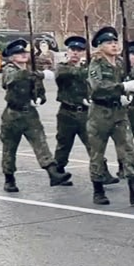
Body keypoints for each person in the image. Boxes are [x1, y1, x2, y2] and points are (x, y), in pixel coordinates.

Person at [0, 38, 73, 193]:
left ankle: (53, 174)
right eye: (19, 53)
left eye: (24, 52)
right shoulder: (9, 69)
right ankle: (9, 179)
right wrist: (39, 74)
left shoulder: (30, 71)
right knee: (10, 148)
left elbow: (40, 91)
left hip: (30, 114)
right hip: (13, 115)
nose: (23, 55)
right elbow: (12, 79)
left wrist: (39, 98)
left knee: (41, 144)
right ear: (11, 57)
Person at [85, 25, 134, 206]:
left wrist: (126, 94)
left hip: (119, 112)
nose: (114, 45)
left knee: (128, 150)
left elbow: (127, 80)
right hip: (100, 114)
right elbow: (97, 87)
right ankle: (98, 190)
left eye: (115, 42)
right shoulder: (96, 64)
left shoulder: (120, 63)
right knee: (97, 153)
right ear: (100, 46)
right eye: (108, 43)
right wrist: (122, 88)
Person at [52, 35, 95, 181]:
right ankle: (58, 171)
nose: (75, 53)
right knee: (64, 144)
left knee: (93, 144)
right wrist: (89, 67)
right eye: (73, 49)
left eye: (79, 50)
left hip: (85, 112)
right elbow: (70, 74)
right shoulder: (62, 67)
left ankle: (102, 171)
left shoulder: (87, 68)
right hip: (67, 112)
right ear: (68, 51)